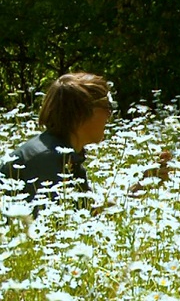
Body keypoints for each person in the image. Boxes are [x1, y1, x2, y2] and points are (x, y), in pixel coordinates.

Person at [0, 72, 115, 216]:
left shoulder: (64, 154)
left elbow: (83, 213)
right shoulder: (45, 161)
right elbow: (55, 225)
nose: (109, 114)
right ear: (82, 112)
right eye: (107, 106)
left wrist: (132, 195)